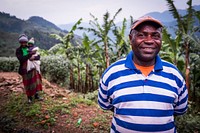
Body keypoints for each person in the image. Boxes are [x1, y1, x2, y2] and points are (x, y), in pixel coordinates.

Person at [98, 16, 188, 133]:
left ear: (161, 40)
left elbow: (179, 110)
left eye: (155, 36)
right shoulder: (111, 73)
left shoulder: (175, 75)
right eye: (141, 35)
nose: (149, 40)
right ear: (131, 39)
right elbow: (107, 106)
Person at [16, 34, 43, 104]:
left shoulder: (31, 47)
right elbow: (21, 59)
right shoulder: (18, 50)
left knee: (35, 81)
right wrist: (30, 55)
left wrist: (34, 57)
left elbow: (38, 57)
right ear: (20, 43)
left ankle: (36, 95)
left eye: (25, 42)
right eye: (22, 42)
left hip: (33, 68)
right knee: (27, 83)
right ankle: (29, 97)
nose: (23, 44)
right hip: (25, 69)